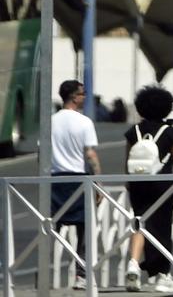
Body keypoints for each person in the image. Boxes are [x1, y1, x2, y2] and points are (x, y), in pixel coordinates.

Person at [123, 86, 173, 293]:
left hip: (137, 184)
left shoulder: (134, 131)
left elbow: (128, 160)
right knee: (161, 228)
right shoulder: (169, 132)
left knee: (139, 222)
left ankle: (133, 263)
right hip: (162, 186)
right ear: (166, 108)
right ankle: (162, 275)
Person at [50, 79, 101, 290]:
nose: (85, 97)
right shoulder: (84, 122)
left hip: (53, 179)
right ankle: (82, 275)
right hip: (78, 179)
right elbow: (90, 154)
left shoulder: (50, 121)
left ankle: (44, 271)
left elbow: (41, 153)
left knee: (50, 228)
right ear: (74, 96)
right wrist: (98, 183)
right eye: (83, 93)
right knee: (85, 229)